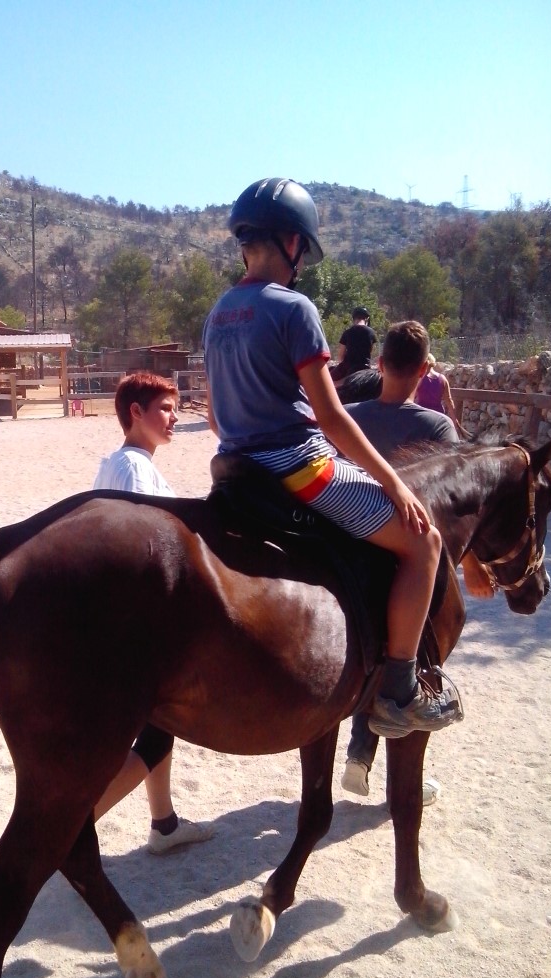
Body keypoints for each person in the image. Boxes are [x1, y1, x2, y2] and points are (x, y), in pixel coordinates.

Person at [202, 177, 463, 744]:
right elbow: (332, 419)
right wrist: (393, 482)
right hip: (300, 466)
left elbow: (217, 419)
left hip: (234, 468)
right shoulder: (294, 308)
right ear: (294, 242)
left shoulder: (218, 313)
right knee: (424, 542)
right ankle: (399, 689)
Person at [92, 372, 215, 854]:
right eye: (165, 408)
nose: (174, 417)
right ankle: (74, 828)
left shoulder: (118, 464)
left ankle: (164, 824)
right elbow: (146, 549)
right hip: (137, 623)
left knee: (160, 724)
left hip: (119, 617)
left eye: (175, 408)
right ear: (135, 413)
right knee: (158, 734)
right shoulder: (134, 469)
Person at [339, 320, 459, 804]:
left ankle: (359, 752)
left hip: (347, 548)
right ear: (425, 370)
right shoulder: (436, 427)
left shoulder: (347, 417)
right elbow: (449, 504)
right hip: (404, 556)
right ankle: (397, 777)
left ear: (380, 363)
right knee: (413, 658)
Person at [330, 306, 378, 387]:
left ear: (353, 318)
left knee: (328, 380)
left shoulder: (347, 332)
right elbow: (370, 351)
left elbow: (340, 356)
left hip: (348, 366)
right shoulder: (372, 332)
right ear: (367, 318)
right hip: (364, 368)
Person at [415, 353, 462, 434]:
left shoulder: (419, 379)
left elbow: (411, 397)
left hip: (422, 415)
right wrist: (455, 420)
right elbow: (449, 400)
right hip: (438, 415)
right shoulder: (442, 379)